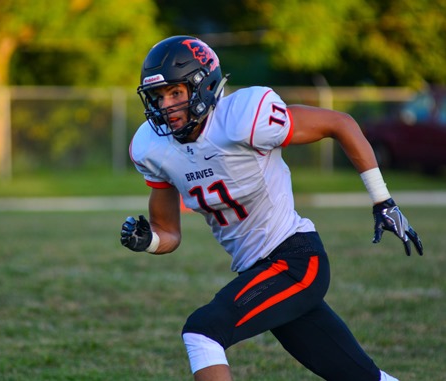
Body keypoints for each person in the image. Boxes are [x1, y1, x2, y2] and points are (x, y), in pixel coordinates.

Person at [121, 35, 423, 381]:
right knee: (362, 377)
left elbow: (340, 123)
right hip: (258, 270)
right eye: (158, 97)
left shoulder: (243, 117)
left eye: (176, 93)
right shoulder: (152, 147)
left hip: (295, 259)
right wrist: (149, 241)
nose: (166, 105)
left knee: (202, 332)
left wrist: (383, 199)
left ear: (203, 87)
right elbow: (169, 233)